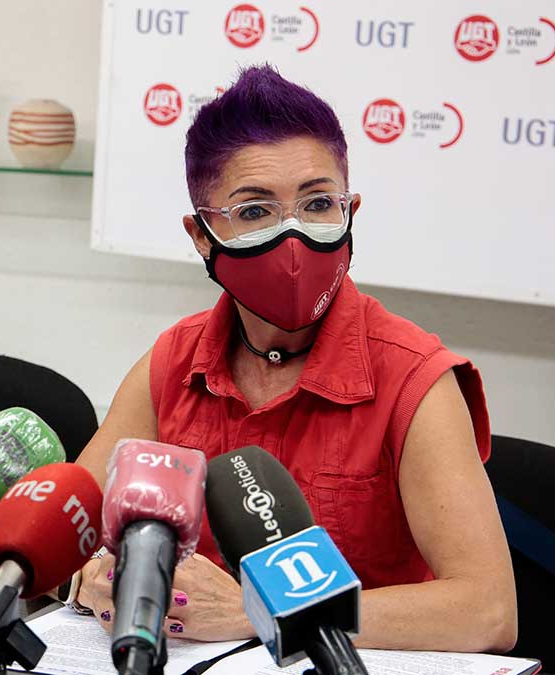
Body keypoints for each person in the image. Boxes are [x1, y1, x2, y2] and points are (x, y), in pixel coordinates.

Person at [73, 66, 517, 652]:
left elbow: (487, 611)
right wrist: (97, 577)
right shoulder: (170, 364)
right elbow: (72, 535)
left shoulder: (416, 378)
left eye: (317, 204)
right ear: (202, 235)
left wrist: (263, 609)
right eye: (255, 211)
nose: (294, 238)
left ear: (349, 210)